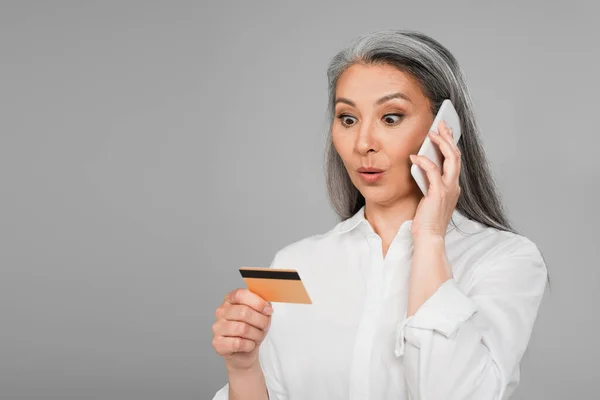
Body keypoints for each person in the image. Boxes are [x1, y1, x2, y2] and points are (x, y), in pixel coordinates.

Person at [211, 29, 549, 400]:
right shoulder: (294, 265)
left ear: (443, 130)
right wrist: (243, 366)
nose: (363, 143)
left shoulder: (505, 259)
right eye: (348, 119)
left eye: (391, 117)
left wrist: (430, 239)